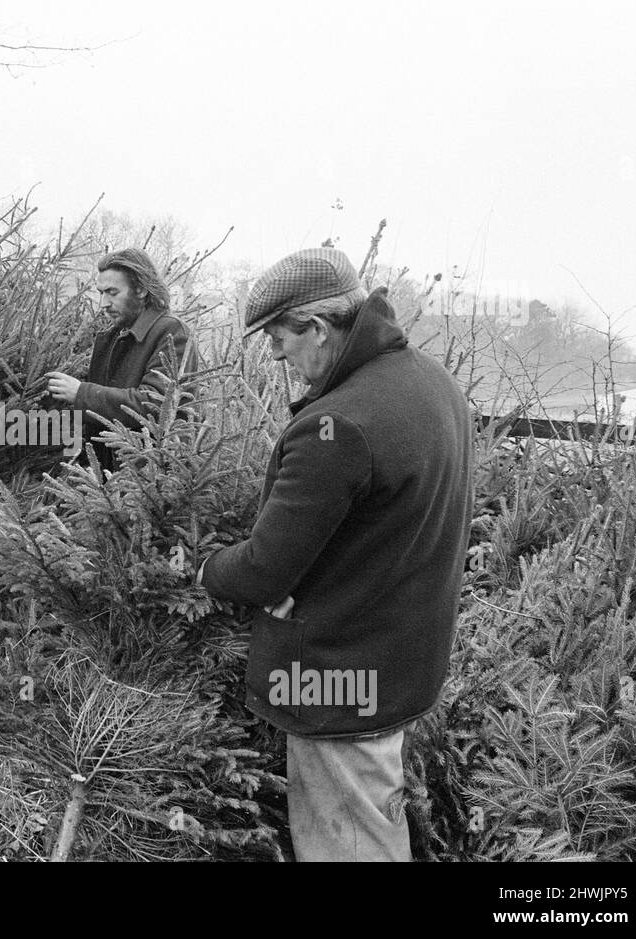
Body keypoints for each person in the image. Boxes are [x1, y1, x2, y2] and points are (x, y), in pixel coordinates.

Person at [197, 247, 473, 861]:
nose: (275, 354)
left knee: (348, 844)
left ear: (317, 329)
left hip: (339, 678)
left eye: (278, 337)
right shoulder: (432, 381)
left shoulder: (339, 425)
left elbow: (266, 569)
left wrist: (202, 566)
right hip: (401, 663)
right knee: (373, 820)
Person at [46, 248, 198, 471]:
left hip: (155, 478)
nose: (104, 303)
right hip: (106, 484)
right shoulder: (111, 338)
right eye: (101, 293)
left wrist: (81, 393)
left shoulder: (172, 333)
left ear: (140, 290)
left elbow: (157, 405)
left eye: (112, 292)